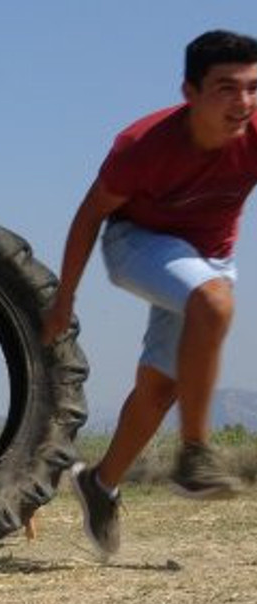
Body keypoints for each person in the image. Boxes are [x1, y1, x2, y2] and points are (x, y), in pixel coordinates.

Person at [42, 29, 257, 559]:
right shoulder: (143, 146)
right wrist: (64, 299)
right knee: (213, 302)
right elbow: (89, 214)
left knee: (160, 388)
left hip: (208, 259)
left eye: (254, 88)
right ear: (190, 92)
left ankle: (100, 483)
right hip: (136, 242)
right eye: (227, 89)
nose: (243, 103)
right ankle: (195, 454)